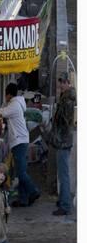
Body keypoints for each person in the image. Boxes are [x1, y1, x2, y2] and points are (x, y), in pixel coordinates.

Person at [0, 82, 40, 207]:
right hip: (21, 140)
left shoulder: (14, 105)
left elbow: (2, 112)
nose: (5, 98)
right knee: (21, 170)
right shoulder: (17, 103)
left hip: (19, 141)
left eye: (5, 95)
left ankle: (33, 191)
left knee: (21, 172)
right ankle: (23, 199)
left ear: (9, 95)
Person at [49, 72, 76, 216]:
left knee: (64, 175)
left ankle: (65, 205)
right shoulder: (65, 98)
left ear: (66, 82)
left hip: (63, 141)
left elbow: (65, 121)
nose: (60, 86)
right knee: (62, 173)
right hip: (62, 140)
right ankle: (62, 200)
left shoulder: (68, 100)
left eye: (61, 83)